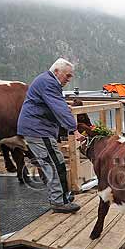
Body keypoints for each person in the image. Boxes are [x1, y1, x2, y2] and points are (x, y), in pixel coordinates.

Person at [17, 58, 84, 213]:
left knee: (57, 162)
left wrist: (64, 106)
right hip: (38, 130)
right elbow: (58, 108)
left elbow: (52, 103)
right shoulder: (49, 83)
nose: (69, 79)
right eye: (67, 76)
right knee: (53, 164)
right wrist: (74, 129)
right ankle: (58, 201)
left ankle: (62, 196)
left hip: (39, 129)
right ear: (56, 72)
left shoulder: (47, 80)